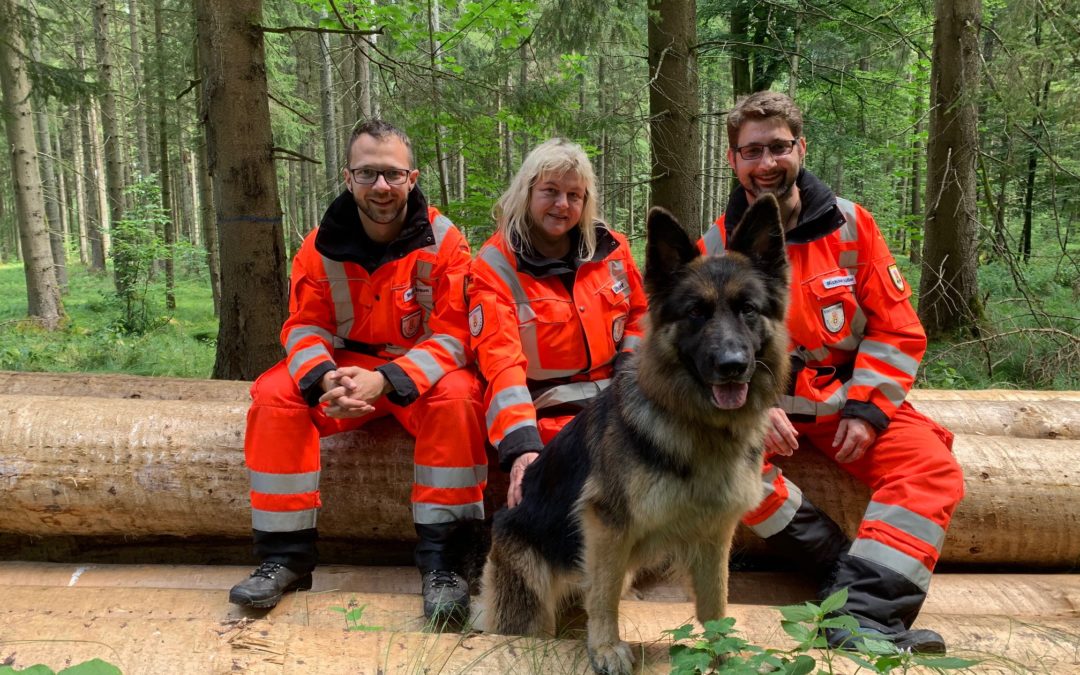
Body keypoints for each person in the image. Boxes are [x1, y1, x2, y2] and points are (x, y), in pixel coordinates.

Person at [700, 91, 964, 653]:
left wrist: (868, 409)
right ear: (733, 161)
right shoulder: (717, 246)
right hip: (759, 407)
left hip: (846, 399)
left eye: (778, 147)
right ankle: (838, 570)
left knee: (931, 466)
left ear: (801, 147)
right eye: (752, 151)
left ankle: (862, 620)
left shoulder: (851, 226)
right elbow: (701, 348)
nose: (766, 163)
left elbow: (896, 330)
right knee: (726, 470)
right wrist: (752, 403)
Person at [228, 120, 487, 623]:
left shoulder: (444, 241)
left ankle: (447, 565)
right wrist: (325, 378)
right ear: (348, 178)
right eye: (368, 174)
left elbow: (456, 334)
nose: (382, 187)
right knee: (276, 396)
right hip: (344, 370)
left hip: (417, 374)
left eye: (392, 174)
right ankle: (284, 558)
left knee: (460, 397)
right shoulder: (318, 245)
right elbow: (304, 326)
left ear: (412, 178)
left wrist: (388, 380)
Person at [468, 139, 648, 505]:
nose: (563, 205)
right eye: (550, 191)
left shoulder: (611, 247)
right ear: (527, 192)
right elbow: (501, 362)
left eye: (574, 195)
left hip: (618, 394)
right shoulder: (495, 266)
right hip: (546, 408)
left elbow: (641, 316)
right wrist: (521, 445)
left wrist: (628, 368)